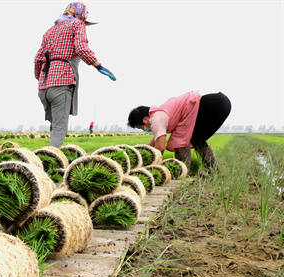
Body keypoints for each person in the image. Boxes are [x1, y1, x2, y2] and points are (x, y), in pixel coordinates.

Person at [34, 2, 116, 147]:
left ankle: (46, 158)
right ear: (81, 15)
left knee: (55, 125)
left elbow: (38, 59)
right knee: (59, 129)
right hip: (61, 81)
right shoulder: (77, 25)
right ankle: (49, 163)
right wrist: (98, 66)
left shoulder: (49, 31)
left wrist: (40, 78)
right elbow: (81, 48)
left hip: (43, 87)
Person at [127, 92, 231, 171]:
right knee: (196, 138)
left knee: (181, 141)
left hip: (212, 104)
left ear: (145, 119)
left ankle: (184, 171)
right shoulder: (160, 114)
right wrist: (141, 153)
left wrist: (151, 166)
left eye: (141, 127)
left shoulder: (156, 119)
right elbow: (155, 139)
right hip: (221, 102)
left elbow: (160, 147)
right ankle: (212, 170)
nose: (145, 130)